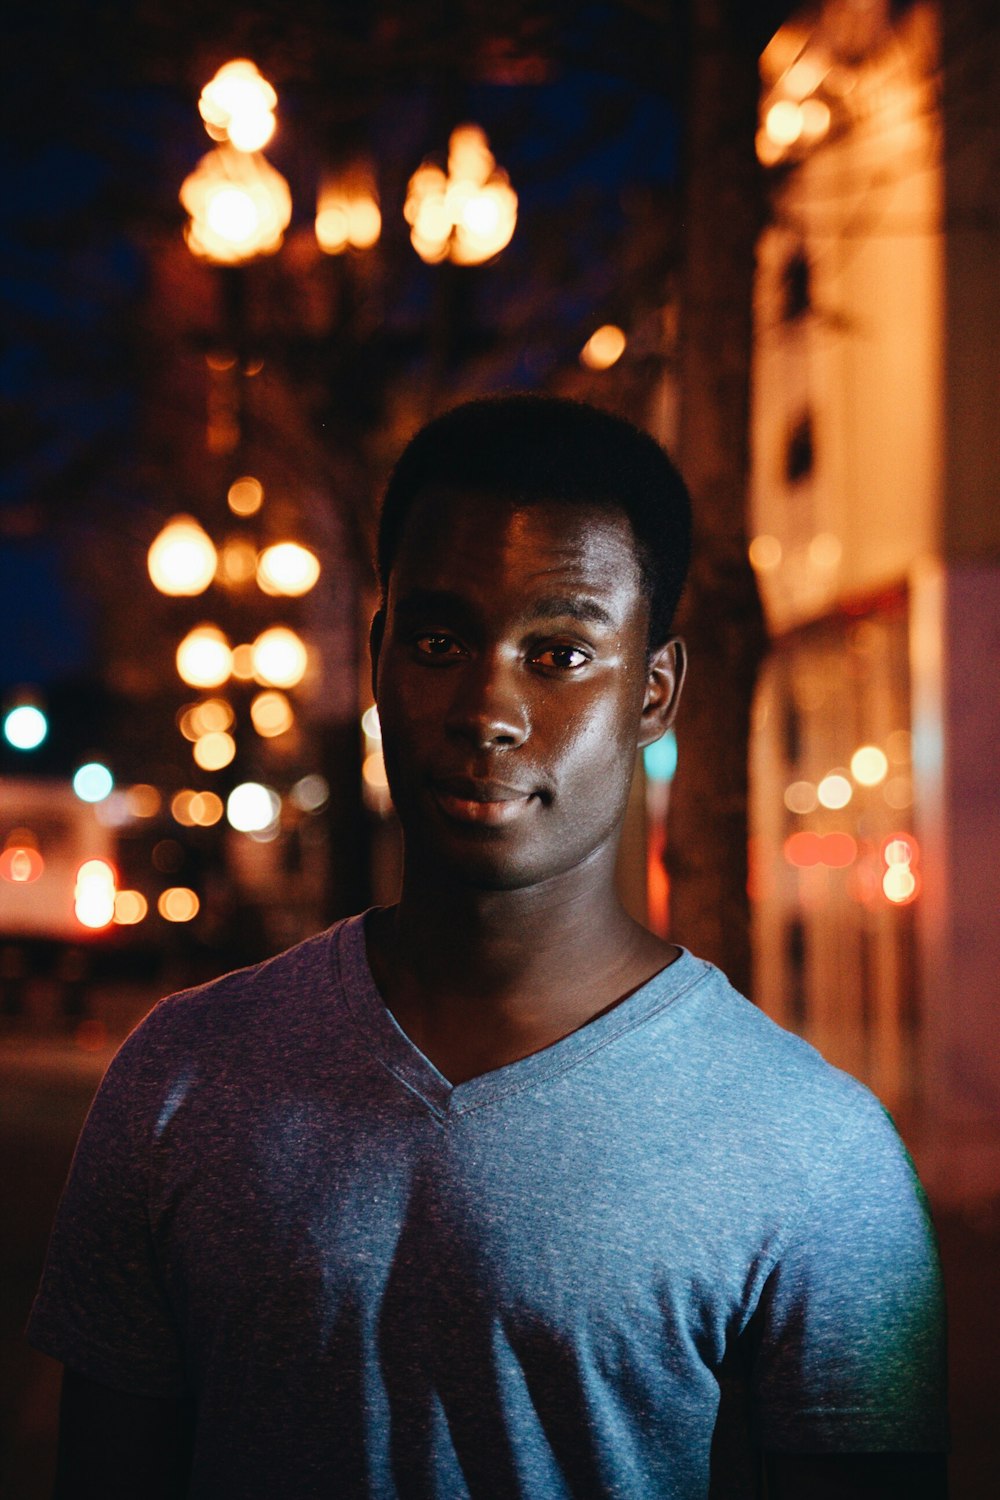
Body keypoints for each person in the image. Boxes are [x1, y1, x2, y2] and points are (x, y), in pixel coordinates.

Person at [30, 395, 947, 1498]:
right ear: (376, 661)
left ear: (652, 694)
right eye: (437, 641)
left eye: (558, 653)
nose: (487, 706)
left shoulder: (815, 1151)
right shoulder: (181, 1074)